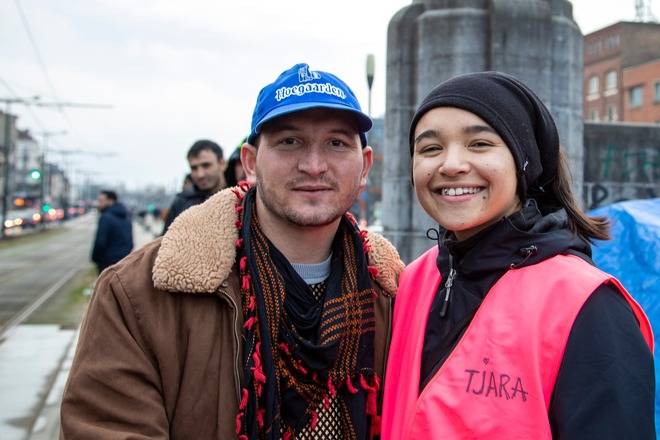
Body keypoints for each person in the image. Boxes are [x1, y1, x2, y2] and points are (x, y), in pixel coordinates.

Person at [61, 62, 403, 440]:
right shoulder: (138, 293)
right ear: (251, 163)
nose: (314, 165)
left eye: (336, 143)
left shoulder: (394, 293)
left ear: (365, 166)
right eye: (289, 141)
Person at [381, 72, 655, 439]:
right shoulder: (410, 280)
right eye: (430, 148)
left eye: (479, 144)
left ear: (523, 161)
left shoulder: (586, 305)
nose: (451, 164)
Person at [161, 139, 226, 233]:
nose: (200, 174)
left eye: (206, 165)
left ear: (222, 163)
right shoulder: (181, 203)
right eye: (194, 168)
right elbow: (165, 242)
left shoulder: (240, 197)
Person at [90, 190, 133, 274]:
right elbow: (130, 242)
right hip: (123, 262)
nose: (98, 204)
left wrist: (94, 258)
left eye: (101, 201)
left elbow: (100, 243)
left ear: (110, 201)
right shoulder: (126, 216)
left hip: (107, 264)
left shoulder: (106, 218)